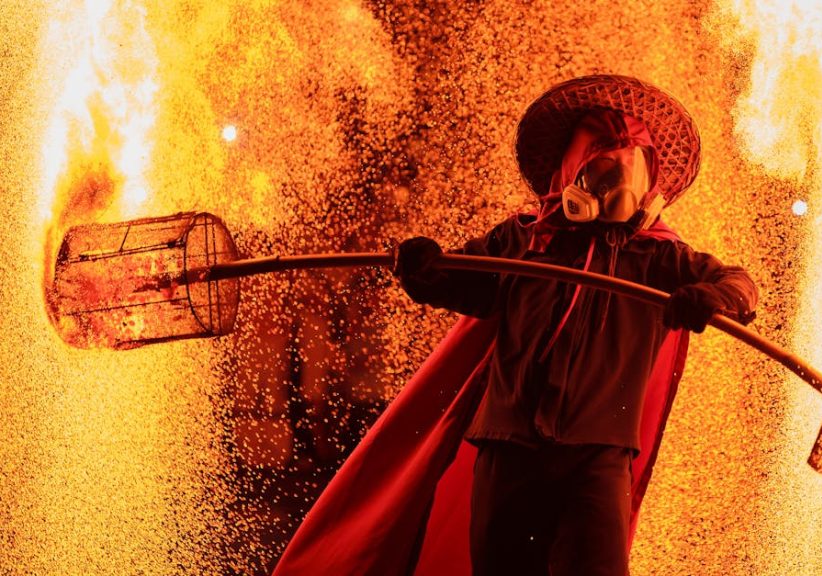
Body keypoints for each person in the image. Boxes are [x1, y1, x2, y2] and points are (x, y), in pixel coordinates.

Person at [272, 74, 757, 576]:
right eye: (600, 156)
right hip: (508, 453)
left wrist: (713, 295)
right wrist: (424, 266)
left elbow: (740, 286)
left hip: (598, 460)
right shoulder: (522, 240)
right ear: (572, 165)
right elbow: (458, 280)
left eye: (629, 159)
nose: (615, 174)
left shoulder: (658, 256)